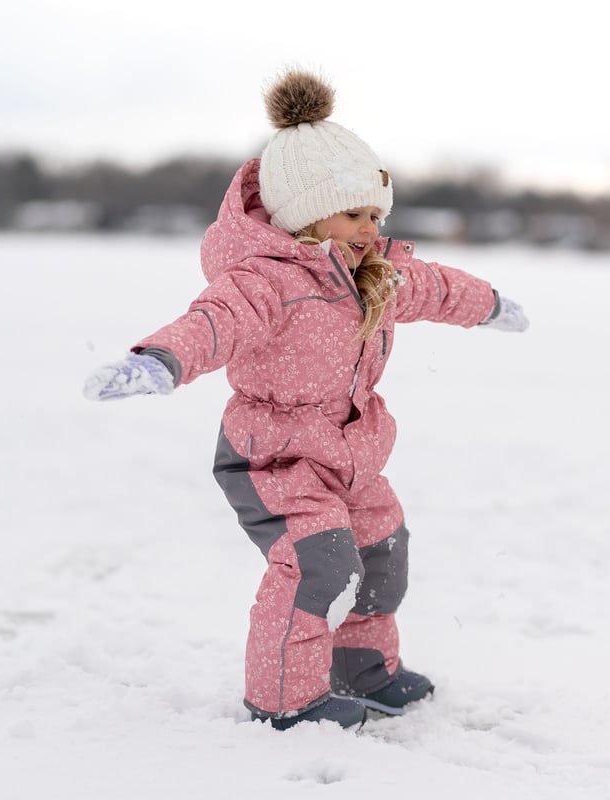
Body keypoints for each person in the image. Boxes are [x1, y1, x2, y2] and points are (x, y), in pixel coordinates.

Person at [83, 69, 529, 731]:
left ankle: (363, 670)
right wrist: (161, 361)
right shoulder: (266, 282)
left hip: (351, 451)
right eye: (353, 212)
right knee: (317, 566)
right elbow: (214, 322)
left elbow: (434, 286)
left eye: (376, 214)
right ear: (305, 211)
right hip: (275, 457)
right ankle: (284, 701)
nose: (367, 227)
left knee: (383, 556)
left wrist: (488, 305)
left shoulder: (374, 275)